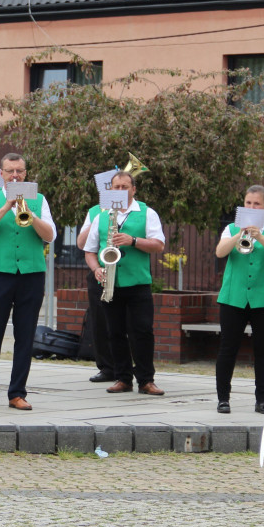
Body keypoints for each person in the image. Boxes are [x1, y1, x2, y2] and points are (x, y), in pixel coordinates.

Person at [0, 153, 57, 411]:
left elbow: (50, 235)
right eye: (10, 171)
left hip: (31, 273)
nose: (15, 175)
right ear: (2, 174)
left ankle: (17, 393)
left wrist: (29, 212)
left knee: (25, 335)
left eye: (19, 171)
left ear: (26, 173)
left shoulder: (39, 199)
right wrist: (5, 207)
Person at [82, 170, 166, 397]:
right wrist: (96, 269)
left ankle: (146, 380)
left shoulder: (147, 213)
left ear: (133, 189)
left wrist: (133, 240)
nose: (120, 191)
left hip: (138, 283)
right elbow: (89, 251)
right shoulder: (102, 216)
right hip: (110, 282)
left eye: (124, 187)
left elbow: (159, 245)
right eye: (116, 187)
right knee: (114, 332)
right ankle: (123, 378)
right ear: (110, 190)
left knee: (142, 332)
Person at [215, 185, 264, 414]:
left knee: (263, 350)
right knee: (228, 348)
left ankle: (261, 400)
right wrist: (240, 233)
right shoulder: (230, 228)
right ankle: (223, 399)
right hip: (233, 297)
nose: (252, 207)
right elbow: (220, 252)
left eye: (257, 204)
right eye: (248, 203)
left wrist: (259, 236)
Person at [77, 200, 116, 383]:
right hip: (100, 272)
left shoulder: (136, 211)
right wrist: (99, 218)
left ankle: (128, 367)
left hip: (126, 273)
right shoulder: (94, 212)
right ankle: (106, 368)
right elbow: (81, 243)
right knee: (99, 321)